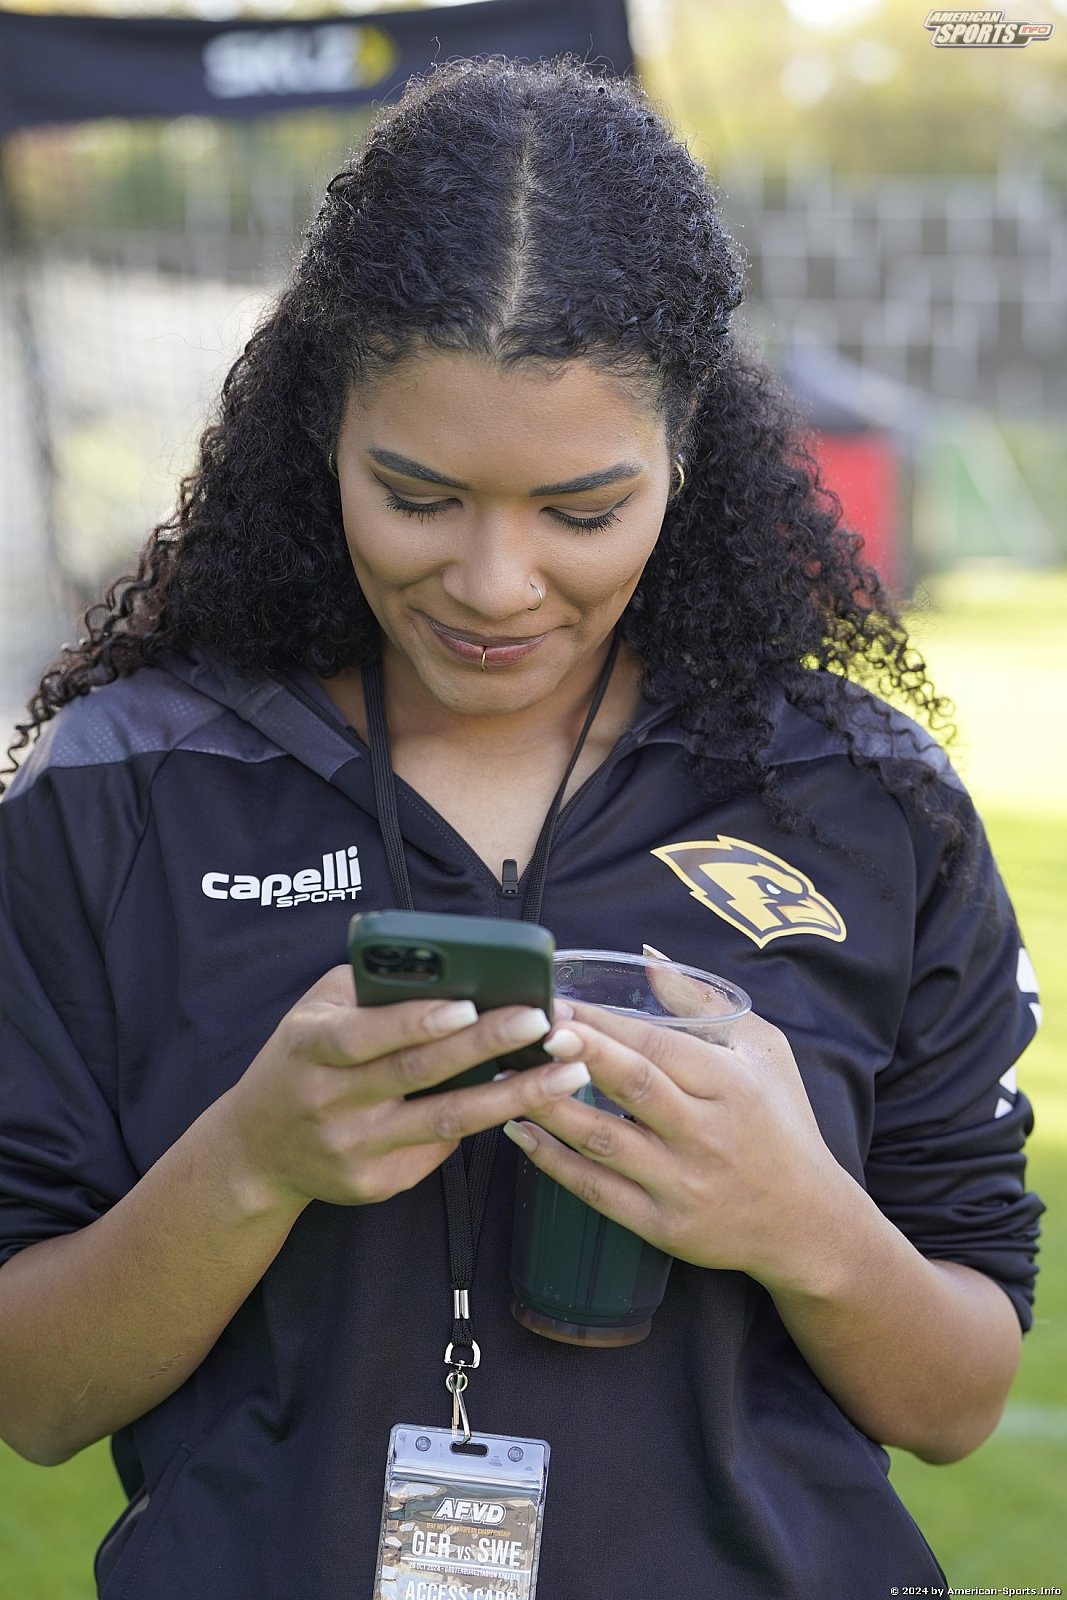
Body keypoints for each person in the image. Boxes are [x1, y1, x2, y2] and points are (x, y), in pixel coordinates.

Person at [0, 56, 1042, 1600]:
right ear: (323, 438)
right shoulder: (115, 790)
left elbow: (956, 1402)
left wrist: (798, 1216)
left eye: (579, 510)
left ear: (688, 460)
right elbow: (33, 1399)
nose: (494, 585)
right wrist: (253, 1161)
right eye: (416, 497)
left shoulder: (865, 802)